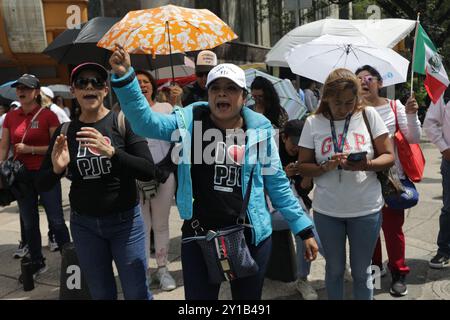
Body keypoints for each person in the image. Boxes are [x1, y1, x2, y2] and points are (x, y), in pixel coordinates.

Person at [109, 46, 318, 300]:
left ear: (243, 96)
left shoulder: (260, 131)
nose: (222, 93)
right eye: (215, 88)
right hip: (199, 235)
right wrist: (126, 77)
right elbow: (145, 123)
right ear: (207, 94)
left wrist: (304, 230)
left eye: (230, 88)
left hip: (250, 235)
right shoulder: (189, 121)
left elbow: (278, 186)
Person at [37, 62, 165, 300]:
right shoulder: (65, 130)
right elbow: (42, 185)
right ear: (73, 90)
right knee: (101, 294)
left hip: (125, 224)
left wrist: (113, 154)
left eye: (96, 82)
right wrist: (56, 169)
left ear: (106, 90)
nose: (90, 86)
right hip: (85, 226)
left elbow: (148, 170)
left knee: (136, 292)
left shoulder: (122, 122)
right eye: (82, 82)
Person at [298, 68, 395, 300]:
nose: (344, 108)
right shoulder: (313, 122)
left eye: (349, 102)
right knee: (335, 271)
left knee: (362, 272)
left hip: (366, 209)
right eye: (337, 103)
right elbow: (303, 166)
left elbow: (389, 156)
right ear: (326, 98)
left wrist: (366, 164)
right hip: (327, 211)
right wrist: (324, 167)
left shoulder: (368, 115)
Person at [355, 65, 421, 297]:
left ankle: (399, 274)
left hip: (391, 180)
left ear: (380, 83)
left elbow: (413, 137)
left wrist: (411, 115)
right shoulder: (352, 110)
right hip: (363, 179)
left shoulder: (394, 107)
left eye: (369, 78)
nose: (364, 82)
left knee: (393, 231)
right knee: (368, 232)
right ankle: (374, 274)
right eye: (359, 78)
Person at [0, 74, 71, 281]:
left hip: (46, 174)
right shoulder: (11, 117)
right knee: (29, 222)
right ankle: (37, 261)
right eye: (19, 88)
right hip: (21, 176)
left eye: (26, 88)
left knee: (57, 221)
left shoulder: (48, 115)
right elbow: (4, 145)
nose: (21, 91)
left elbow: (55, 147)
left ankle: (70, 262)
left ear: (37, 92)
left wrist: (30, 148)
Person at [270, 119, 324, 300]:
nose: (297, 149)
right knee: (304, 224)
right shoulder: (270, 150)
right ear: (284, 137)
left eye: (301, 144)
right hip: (267, 210)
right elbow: (261, 186)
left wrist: (307, 175)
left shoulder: (307, 154)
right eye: (294, 142)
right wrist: (283, 175)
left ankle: (303, 278)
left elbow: (303, 191)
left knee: (304, 227)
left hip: (296, 206)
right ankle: (335, 262)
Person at [135, 69, 177, 291]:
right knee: (142, 226)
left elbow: (177, 139)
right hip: (137, 178)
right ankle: (143, 273)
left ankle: (162, 269)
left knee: (160, 224)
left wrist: (177, 104)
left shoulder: (166, 109)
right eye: (137, 82)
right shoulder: (125, 111)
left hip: (164, 174)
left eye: (145, 82)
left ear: (153, 85)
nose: (142, 85)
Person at [423, 91, 450, 270]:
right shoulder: (445, 93)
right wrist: (444, 149)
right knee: (449, 208)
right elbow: (429, 123)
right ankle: (444, 250)